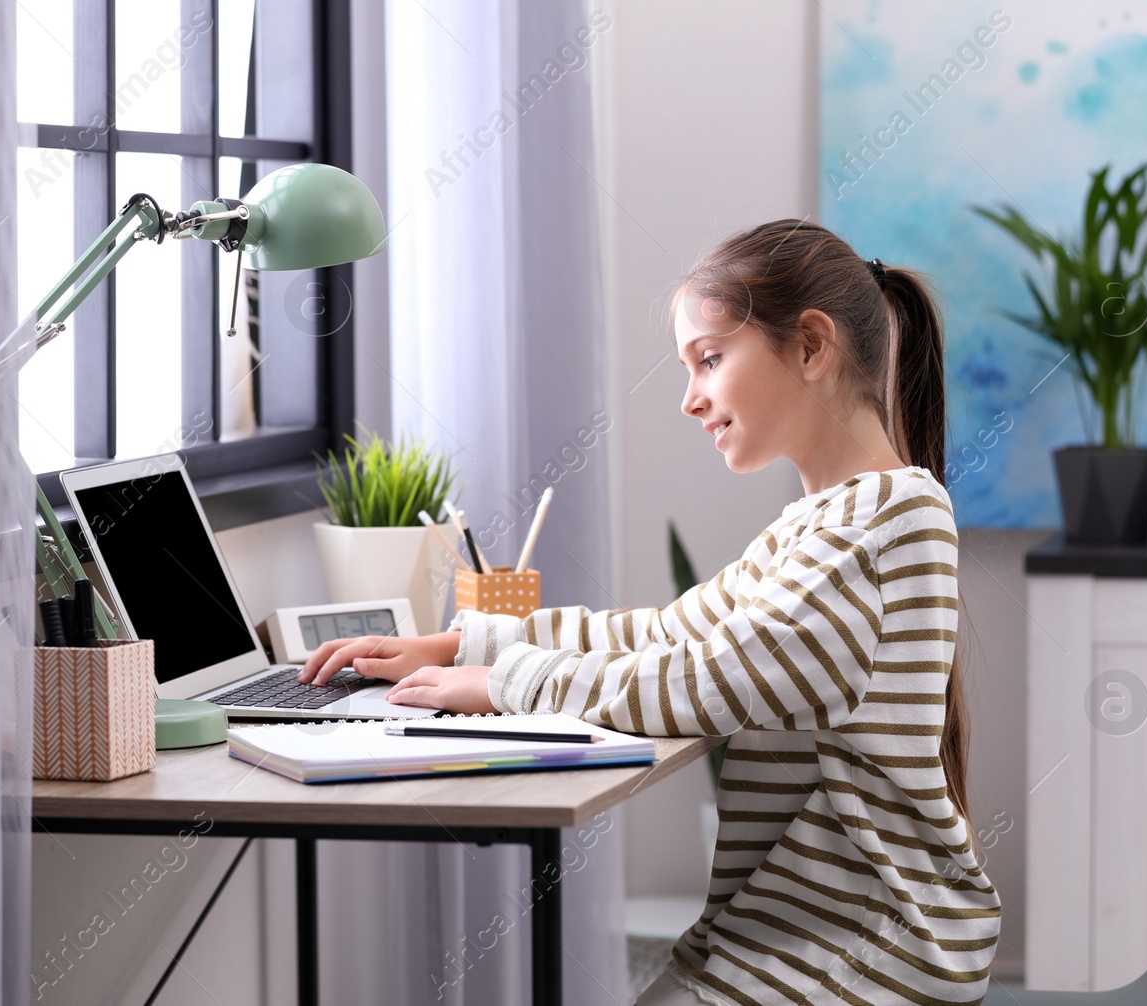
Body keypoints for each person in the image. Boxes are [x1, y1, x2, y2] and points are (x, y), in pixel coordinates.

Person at [300, 219, 999, 1003]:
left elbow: (704, 683)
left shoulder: (877, 530)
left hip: (860, 950)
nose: (690, 398)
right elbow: (669, 634)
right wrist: (468, 643)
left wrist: (508, 682)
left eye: (709, 359)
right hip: (796, 927)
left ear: (810, 347)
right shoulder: (827, 525)